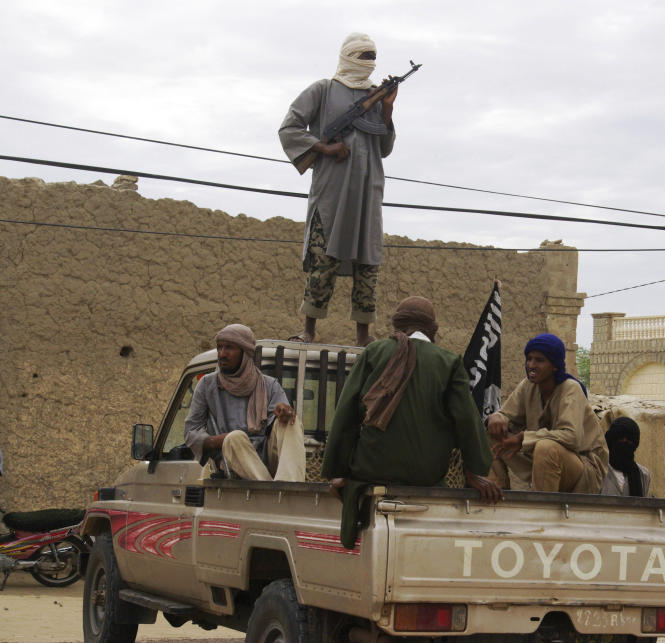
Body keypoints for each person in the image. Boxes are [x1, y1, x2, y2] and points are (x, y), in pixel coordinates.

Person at [321, 296, 502, 548]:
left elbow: (347, 413)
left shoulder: (374, 352)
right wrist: (473, 473)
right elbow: (467, 421)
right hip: (426, 475)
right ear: (432, 329)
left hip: (373, 470)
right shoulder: (449, 362)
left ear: (398, 326)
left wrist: (339, 472)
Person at [279, 32, 397, 347]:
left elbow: (383, 148)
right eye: (363, 56)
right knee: (322, 260)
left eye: (372, 57)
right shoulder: (324, 90)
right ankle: (310, 330)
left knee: (368, 263)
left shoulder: (375, 95)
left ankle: (363, 335)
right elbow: (289, 127)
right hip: (332, 194)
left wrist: (386, 110)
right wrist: (325, 148)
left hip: (367, 193)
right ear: (347, 56)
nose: (369, 64)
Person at [485, 334, 607, 493]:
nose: (531, 365)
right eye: (529, 359)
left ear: (555, 365)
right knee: (492, 432)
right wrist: (496, 417)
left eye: (539, 360)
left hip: (583, 467)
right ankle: (498, 491)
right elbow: (507, 415)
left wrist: (523, 438)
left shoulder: (571, 388)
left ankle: (540, 509)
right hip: (541, 460)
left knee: (546, 448)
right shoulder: (528, 385)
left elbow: (572, 437)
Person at [184, 324, 305, 481]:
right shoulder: (207, 385)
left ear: (245, 353)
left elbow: (281, 417)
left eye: (229, 348)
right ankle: (272, 493)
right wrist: (218, 440)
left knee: (291, 424)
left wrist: (285, 412)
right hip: (233, 457)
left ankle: (288, 486)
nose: (222, 354)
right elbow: (191, 431)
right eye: (220, 347)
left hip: (266, 456)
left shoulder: (269, 385)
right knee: (235, 438)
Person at [600, 416, 651, 497]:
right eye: (621, 439)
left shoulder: (643, 474)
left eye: (630, 441)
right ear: (612, 440)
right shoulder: (600, 470)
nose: (625, 443)